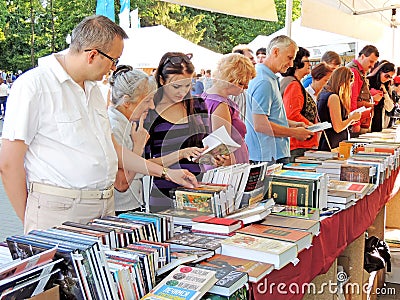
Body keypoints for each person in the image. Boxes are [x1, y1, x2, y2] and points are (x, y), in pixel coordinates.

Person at [0, 15, 197, 233]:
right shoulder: (34, 85)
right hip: (61, 210)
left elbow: (113, 149)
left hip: (103, 207)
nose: (113, 69)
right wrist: (30, 219)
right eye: (114, 60)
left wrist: (166, 172)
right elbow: (8, 163)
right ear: (93, 54)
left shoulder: (93, 90)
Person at [145, 52, 226, 212]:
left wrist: (214, 157)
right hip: (163, 194)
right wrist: (181, 153)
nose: (182, 92)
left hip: (198, 191)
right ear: (162, 80)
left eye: (187, 85)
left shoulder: (197, 105)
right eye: (176, 86)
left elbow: (202, 148)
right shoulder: (149, 112)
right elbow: (143, 164)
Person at [245, 35, 313, 164]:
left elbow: (270, 117)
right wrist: (293, 132)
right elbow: (260, 125)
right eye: (289, 58)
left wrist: (293, 124)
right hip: (268, 155)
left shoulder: (267, 78)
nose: (291, 64)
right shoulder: (264, 81)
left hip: (269, 153)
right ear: (275, 52)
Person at [108, 65, 157, 214]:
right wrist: (138, 147)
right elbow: (122, 183)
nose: (152, 106)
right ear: (127, 101)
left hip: (130, 206)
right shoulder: (114, 127)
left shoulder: (126, 124)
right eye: (147, 100)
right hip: (121, 211)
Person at [202, 53, 256, 164]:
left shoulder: (207, 97)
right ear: (232, 80)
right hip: (230, 167)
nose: (245, 88)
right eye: (243, 84)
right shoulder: (220, 104)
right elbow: (222, 149)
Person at [280, 47, 318, 161]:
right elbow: (292, 114)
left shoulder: (291, 82)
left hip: (295, 142)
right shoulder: (293, 84)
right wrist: (311, 126)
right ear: (297, 64)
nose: (309, 65)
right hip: (297, 144)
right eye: (307, 61)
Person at [317, 67, 361, 150]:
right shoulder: (333, 97)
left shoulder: (323, 94)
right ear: (343, 83)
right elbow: (338, 127)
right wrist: (352, 118)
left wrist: (348, 120)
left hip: (329, 142)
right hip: (333, 144)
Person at [346, 45, 380, 133]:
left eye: (374, 62)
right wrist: (355, 123)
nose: (372, 65)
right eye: (371, 61)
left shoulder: (360, 71)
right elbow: (351, 99)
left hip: (361, 118)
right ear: (362, 56)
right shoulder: (353, 71)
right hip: (356, 120)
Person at [367, 61, 395, 132]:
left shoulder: (387, 86)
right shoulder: (368, 81)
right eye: (386, 76)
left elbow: (389, 108)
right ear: (380, 71)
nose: (387, 79)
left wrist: (385, 92)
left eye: (390, 78)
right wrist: (373, 98)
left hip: (379, 121)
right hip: (367, 121)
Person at [231, 44, 257, 121]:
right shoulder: (233, 88)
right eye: (251, 59)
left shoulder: (248, 83)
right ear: (240, 61)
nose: (255, 62)